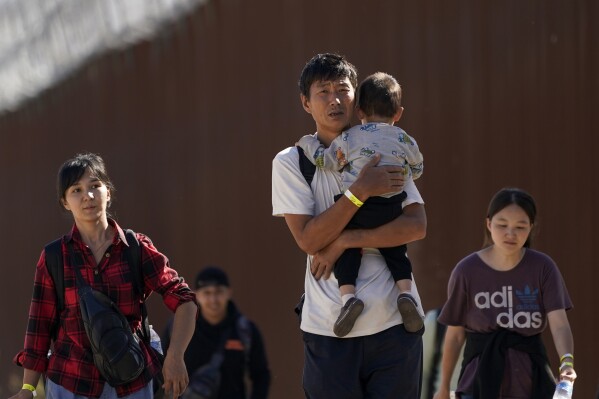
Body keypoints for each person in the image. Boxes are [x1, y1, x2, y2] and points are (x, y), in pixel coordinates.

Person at [272, 53, 427, 398]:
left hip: (395, 328)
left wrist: (346, 240)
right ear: (305, 103)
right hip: (329, 331)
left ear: (357, 98)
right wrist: (360, 191)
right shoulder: (291, 161)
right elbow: (309, 240)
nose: (334, 99)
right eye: (323, 91)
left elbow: (416, 226)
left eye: (342, 89)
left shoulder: (384, 147)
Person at [10, 153, 198, 399]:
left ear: (108, 192)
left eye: (95, 186)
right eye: (76, 190)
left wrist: (175, 356)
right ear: (65, 202)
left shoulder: (135, 247)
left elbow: (184, 299)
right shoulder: (55, 256)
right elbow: (39, 326)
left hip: (131, 381)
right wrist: (28, 389)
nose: (87, 196)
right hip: (71, 383)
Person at [297, 71, 424, 336]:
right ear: (398, 113)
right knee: (396, 251)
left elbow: (327, 161)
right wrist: (407, 171)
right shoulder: (404, 139)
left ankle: (348, 298)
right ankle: (406, 295)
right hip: (391, 209)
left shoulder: (350, 138)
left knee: (347, 252)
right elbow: (418, 166)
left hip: (360, 210)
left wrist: (308, 145)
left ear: (360, 110)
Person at [433, 188, 577, 399]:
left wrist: (567, 363)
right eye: (502, 225)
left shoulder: (543, 267)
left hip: (530, 378)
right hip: (478, 381)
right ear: (489, 224)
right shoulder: (466, 270)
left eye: (520, 226)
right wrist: (444, 387)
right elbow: (455, 335)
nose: (511, 233)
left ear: (531, 228)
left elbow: (560, 324)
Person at [163, 266, 271, 399]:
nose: (213, 300)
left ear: (229, 293)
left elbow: (261, 375)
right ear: (196, 295)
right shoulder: (179, 328)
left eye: (219, 292)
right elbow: (161, 369)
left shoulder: (245, 330)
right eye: (207, 293)